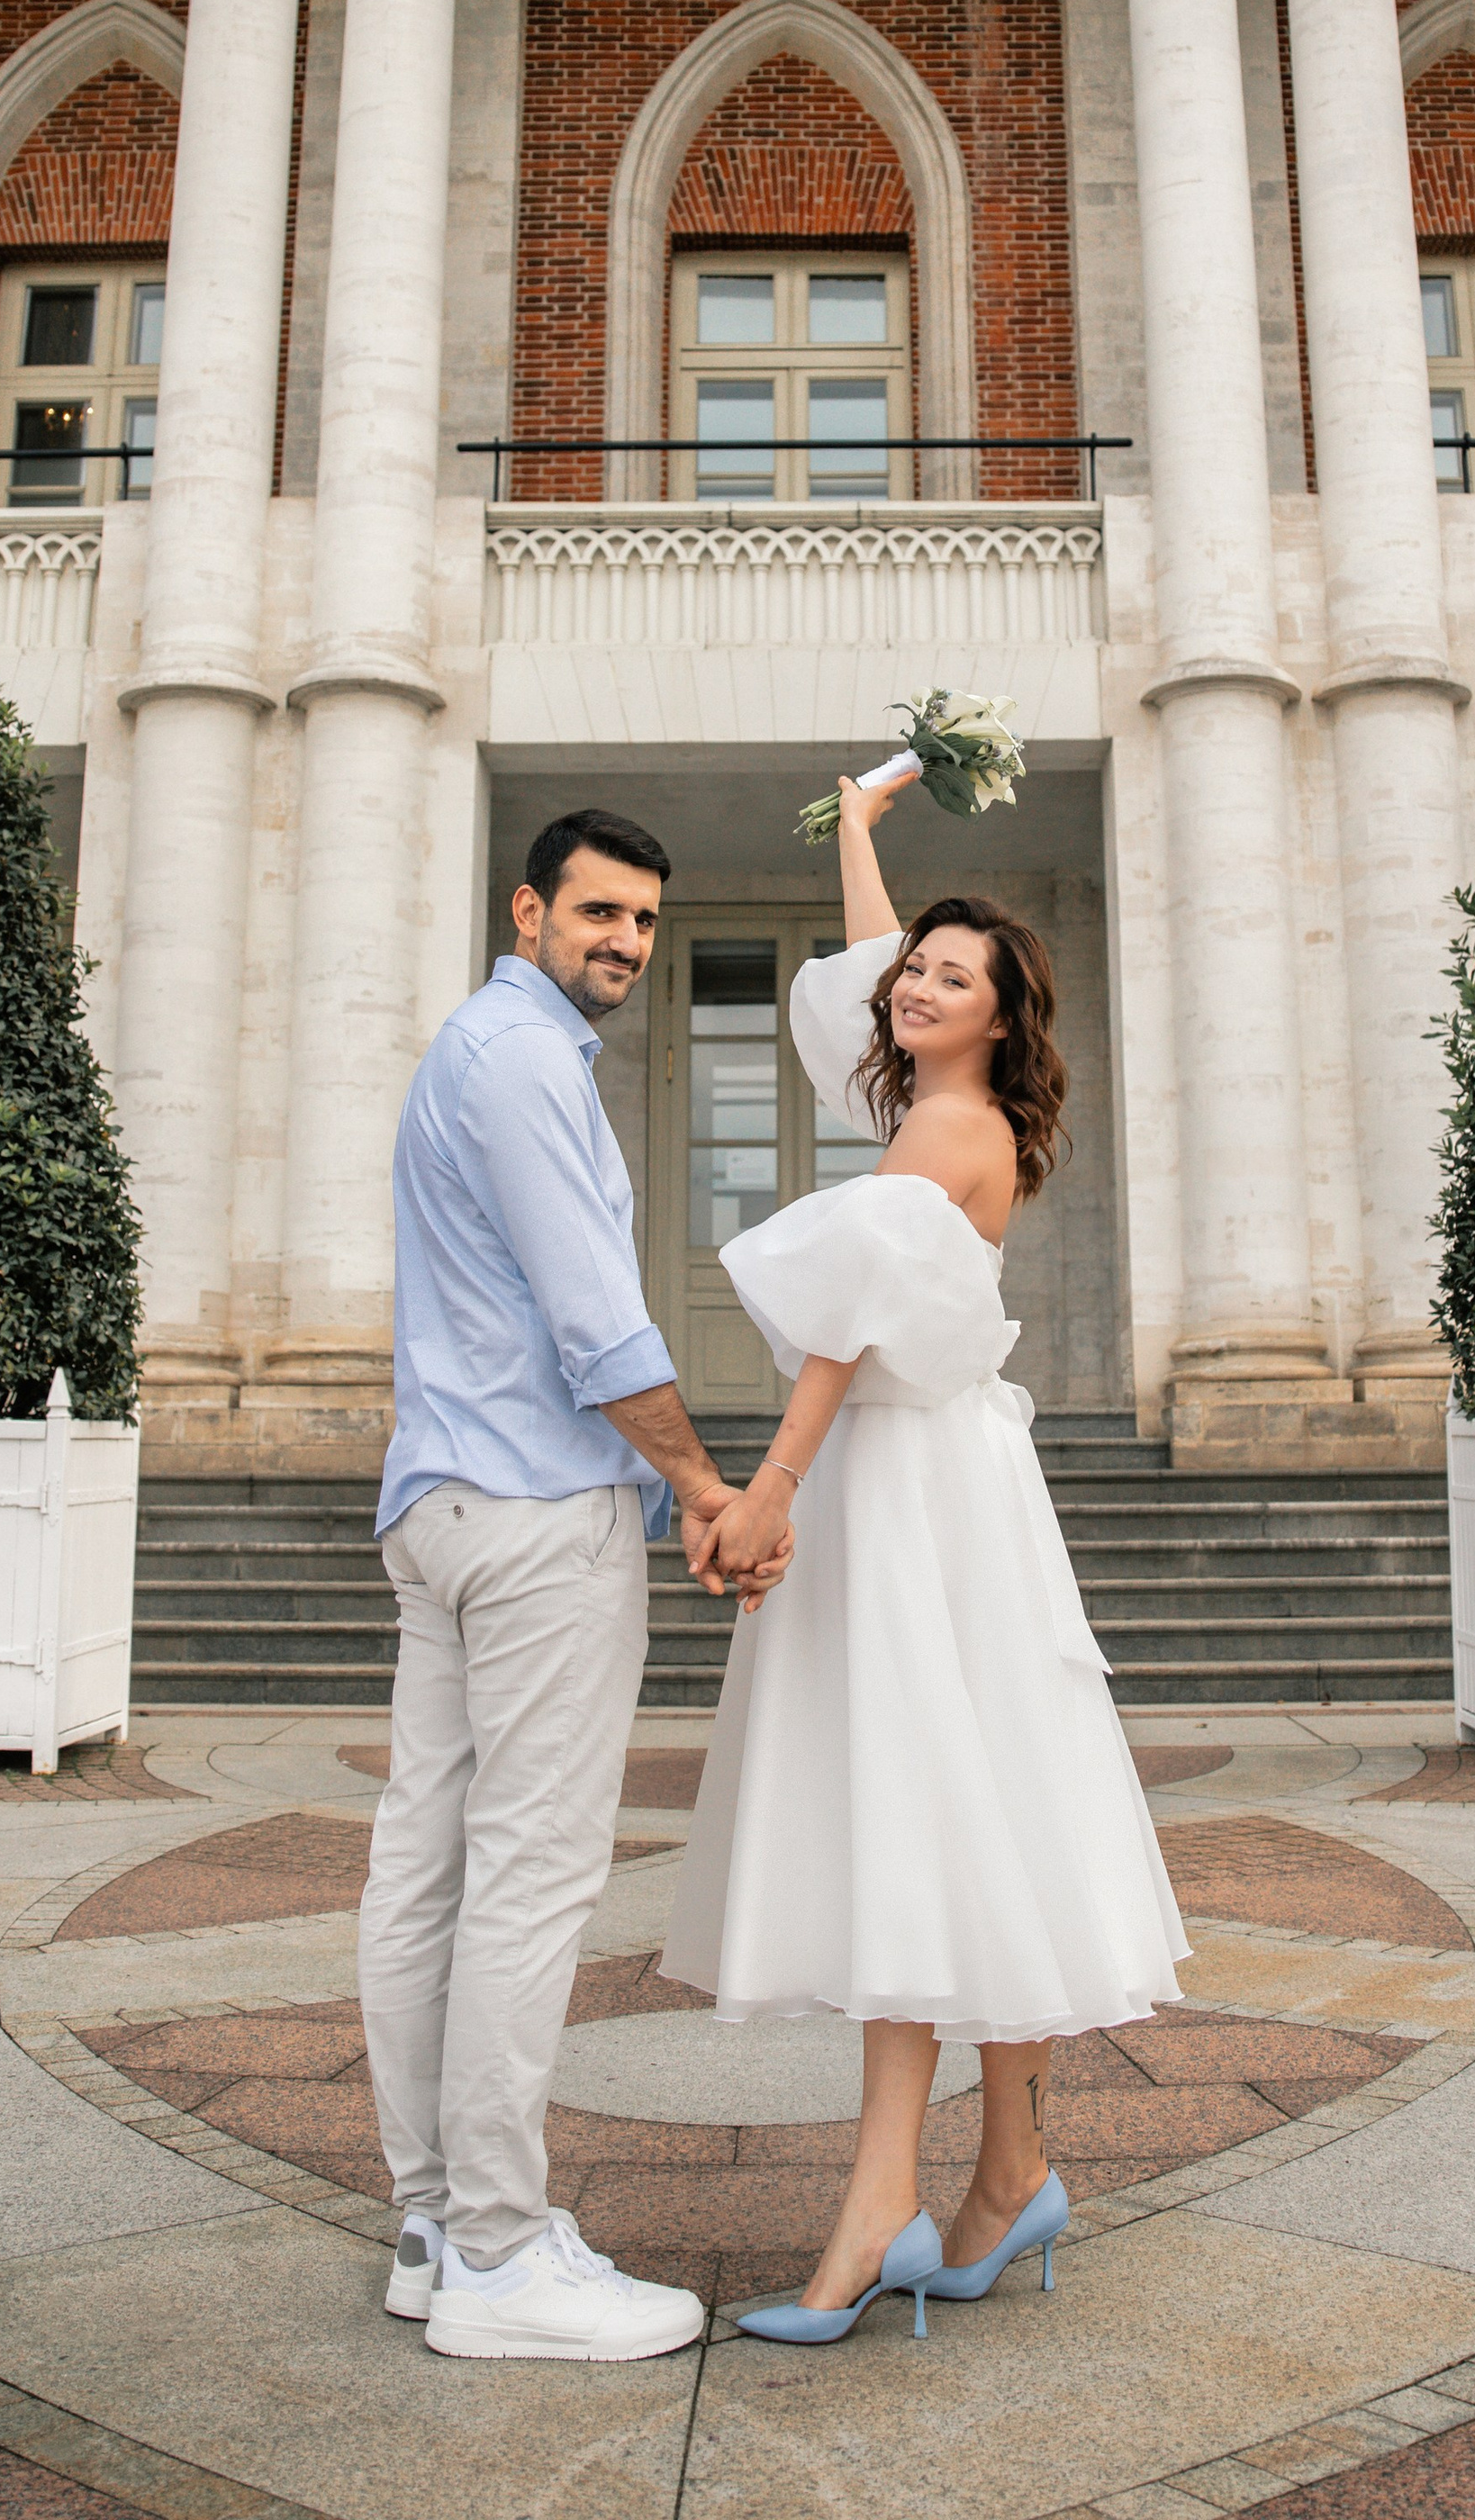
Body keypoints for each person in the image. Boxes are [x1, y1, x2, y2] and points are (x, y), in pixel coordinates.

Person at [661, 777, 1190, 2341]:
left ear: (997, 1018)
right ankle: (1008, 2167)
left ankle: (890, 2199)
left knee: (914, 1798)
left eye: (952, 977)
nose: (915, 982)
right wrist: (853, 821)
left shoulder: (945, 1127)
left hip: (901, 1477)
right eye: (915, 974)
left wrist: (767, 1491)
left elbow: (842, 1338)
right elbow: (871, 954)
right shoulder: (933, 1108)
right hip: (957, 1478)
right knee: (974, 1797)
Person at [357, 805, 789, 2364]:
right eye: (598, 913)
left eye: (645, 924)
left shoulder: (476, 1051)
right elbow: (597, 1317)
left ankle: (433, 2225)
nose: (622, 943)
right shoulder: (526, 1060)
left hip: (447, 1500)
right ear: (527, 908)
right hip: (536, 1515)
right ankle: (492, 2254)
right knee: (528, 1877)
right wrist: (698, 1480)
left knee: (429, 1869)